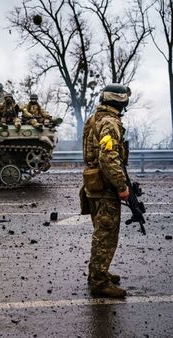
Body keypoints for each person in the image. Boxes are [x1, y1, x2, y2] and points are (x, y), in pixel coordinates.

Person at [81, 83, 132, 298]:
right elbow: (108, 157)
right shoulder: (110, 122)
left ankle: (99, 272)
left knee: (101, 231)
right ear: (120, 101)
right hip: (105, 186)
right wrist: (121, 186)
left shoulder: (94, 118)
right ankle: (99, 282)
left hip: (94, 184)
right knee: (106, 233)